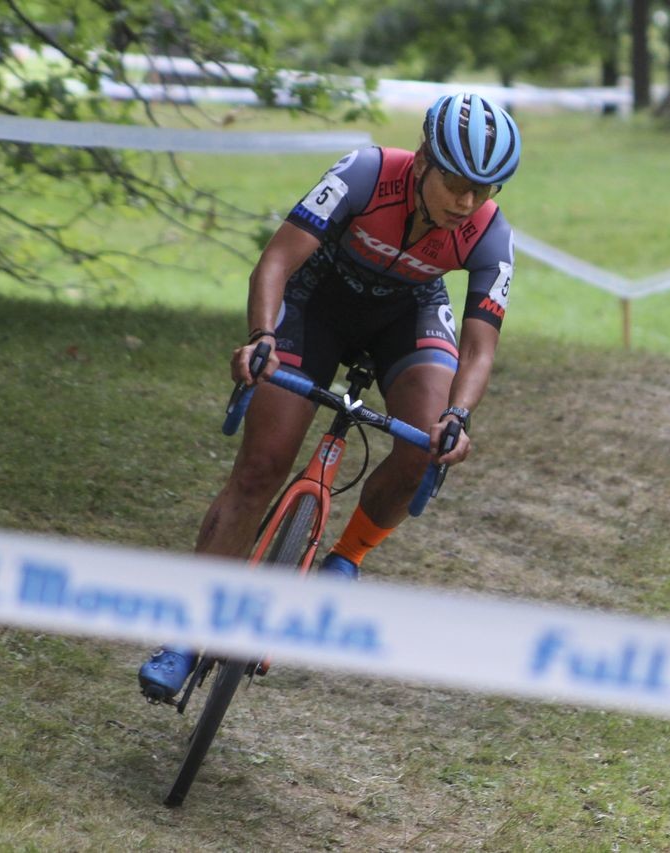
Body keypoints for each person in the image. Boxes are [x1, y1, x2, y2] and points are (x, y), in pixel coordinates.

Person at [139, 93, 521, 701]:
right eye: (454, 181)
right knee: (262, 465)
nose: (467, 202)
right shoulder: (364, 173)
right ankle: (187, 632)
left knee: (423, 444)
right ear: (423, 158)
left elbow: (479, 349)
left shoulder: (489, 233)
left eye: (484, 187)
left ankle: (347, 556)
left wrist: (459, 415)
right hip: (318, 304)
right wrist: (261, 336)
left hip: (409, 313)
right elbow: (275, 263)